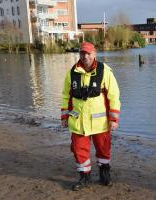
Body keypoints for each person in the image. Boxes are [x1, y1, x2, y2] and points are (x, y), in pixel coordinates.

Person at [61, 42, 121, 191]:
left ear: (94, 54)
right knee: (78, 149)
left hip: (100, 122)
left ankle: (104, 173)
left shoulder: (105, 71)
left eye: (88, 53)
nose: (85, 56)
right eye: (82, 53)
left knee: (103, 149)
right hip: (78, 121)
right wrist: (64, 116)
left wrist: (114, 119)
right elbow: (65, 96)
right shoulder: (71, 73)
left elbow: (114, 95)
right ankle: (84, 176)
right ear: (79, 54)